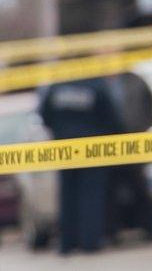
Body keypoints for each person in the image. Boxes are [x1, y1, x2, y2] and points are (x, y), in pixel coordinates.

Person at [40, 76, 125, 254]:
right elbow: (111, 116)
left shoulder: (58, 84)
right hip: (92, 149)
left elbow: (45, 114)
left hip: (65, 148)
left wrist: (60, 131)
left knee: (68, 196)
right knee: (91, 196)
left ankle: (67, 243)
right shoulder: (95, 83)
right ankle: (90, 242)